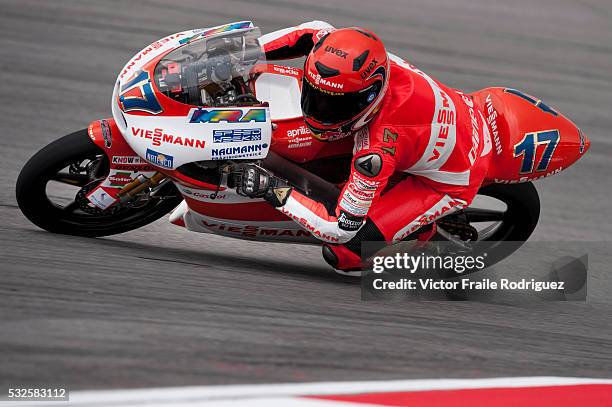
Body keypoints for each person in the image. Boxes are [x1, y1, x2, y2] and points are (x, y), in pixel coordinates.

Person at [234, 21, 492, 275]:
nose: (319, 111)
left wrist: (270, 188)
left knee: (346, 252)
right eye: (315, 95)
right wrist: (242, 55)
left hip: (455, 175)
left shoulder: (378, 150)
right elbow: (312, 31)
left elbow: (339, 227)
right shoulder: (357, 59)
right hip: (452, 115)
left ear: (371, 96)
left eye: (335, 105)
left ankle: (424, 238)